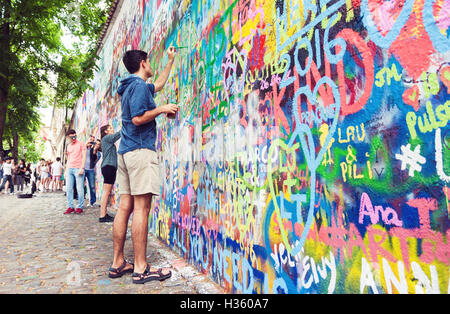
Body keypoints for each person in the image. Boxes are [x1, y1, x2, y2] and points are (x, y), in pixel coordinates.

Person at [108, 47, 178, 283]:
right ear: (143, 63)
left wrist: (171, 61)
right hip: (139, 151)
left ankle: (118, 262)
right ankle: (140, 268)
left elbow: (157, 85)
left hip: (126, 153)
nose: (151, 65)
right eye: (149, 62)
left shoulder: (131, 86)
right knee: (141, 209)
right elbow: (138, 118)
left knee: (125, 207)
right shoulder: (138, 87)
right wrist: (162, 109)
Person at [98, 125, 120, 223]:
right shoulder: (106, 138)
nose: (112, 129)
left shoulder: (105, 140)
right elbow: (119, 134)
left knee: (107, 192)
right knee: (106, 192)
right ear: (106, 131)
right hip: (108, 167)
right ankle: (102, 216)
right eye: (110, 128)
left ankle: (104, 214)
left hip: (108, 167)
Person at [64, 129, 86, 214]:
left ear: (74, 135)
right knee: (69, 189)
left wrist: (82, 168)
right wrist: (66, 170)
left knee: (79, 188)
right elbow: (69, 158)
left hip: (78, 168)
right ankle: (71, 207)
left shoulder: (81, 144)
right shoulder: (69, 146)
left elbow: (84, 156)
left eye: (70, 137)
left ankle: (80, 207)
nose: (69, 139)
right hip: (70, 169)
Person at [84, 134, 99, 207]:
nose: (91, 142)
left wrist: (94, 150)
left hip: (91, 169)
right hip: (83, 169)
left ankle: (93, 202)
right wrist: (85, 146)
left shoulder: (93, 149)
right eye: (90, 140)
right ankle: (81, 201)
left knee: (92, 186)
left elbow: (94, 159)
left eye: (93, 140)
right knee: (81, 185)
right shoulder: (83, 148)